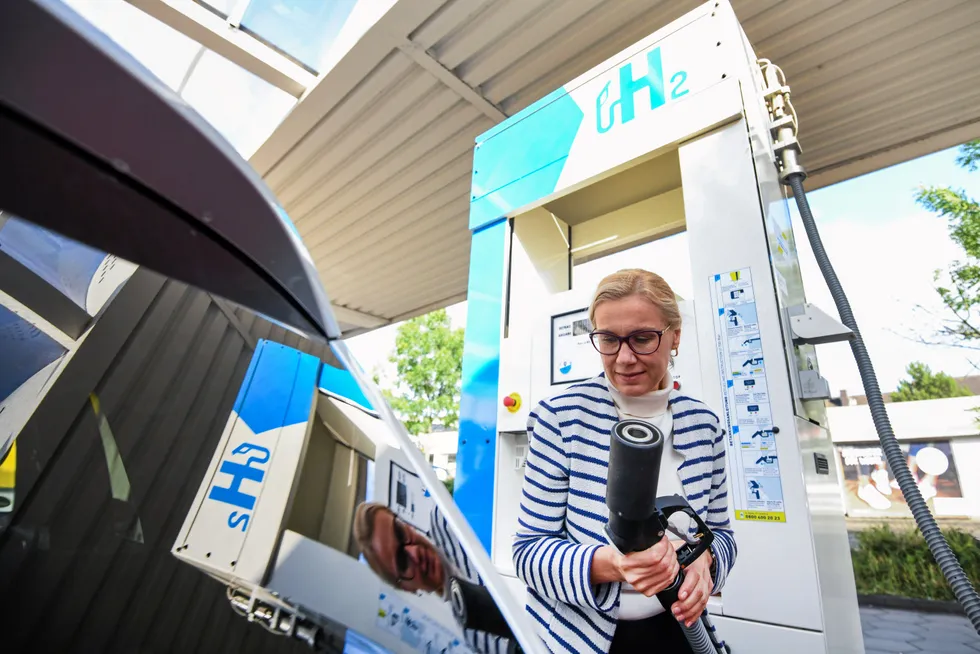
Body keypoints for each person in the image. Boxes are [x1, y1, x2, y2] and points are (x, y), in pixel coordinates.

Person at [514, 269, 738, 654]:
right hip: (577, 638)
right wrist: (612, 564)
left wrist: (708, 562)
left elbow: (723, 535)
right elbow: (528, 553)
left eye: (642, 338)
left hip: (679, 632)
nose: (624, 358)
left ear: (675, 335)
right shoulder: (561, 418)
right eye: (608, 340)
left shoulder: (705, 427)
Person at [353, 500, 513, 654]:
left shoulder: (447, 515)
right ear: (405, 588)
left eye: (399, 532)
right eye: (402, 562)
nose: (414, 553)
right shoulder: (473, 633)